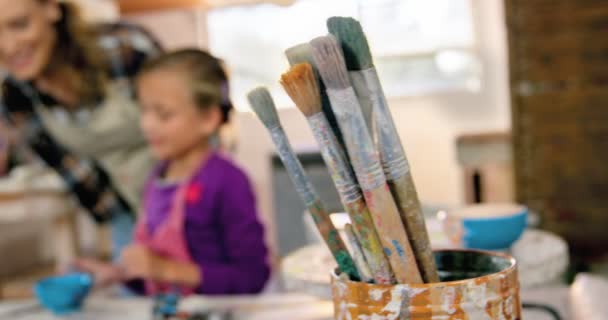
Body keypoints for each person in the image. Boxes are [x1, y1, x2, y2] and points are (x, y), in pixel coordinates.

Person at [78, 49, 270, 295]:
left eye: (164, 114)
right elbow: (152, 275)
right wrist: (120, 273)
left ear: (208, 118)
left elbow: (252, 277)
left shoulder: (227, 180)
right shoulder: (157, 177)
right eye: (144, 111)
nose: (147, 124)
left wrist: (165, 269)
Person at [0, 0, 161, 257]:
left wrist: (173, 207)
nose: (7, 46)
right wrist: (131, 231)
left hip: (192, 198)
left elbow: (201, 118)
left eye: (20, 24)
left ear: (52, 7)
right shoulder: (15, 95)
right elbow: (76, 172)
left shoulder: (124, 47)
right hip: (127, 213)